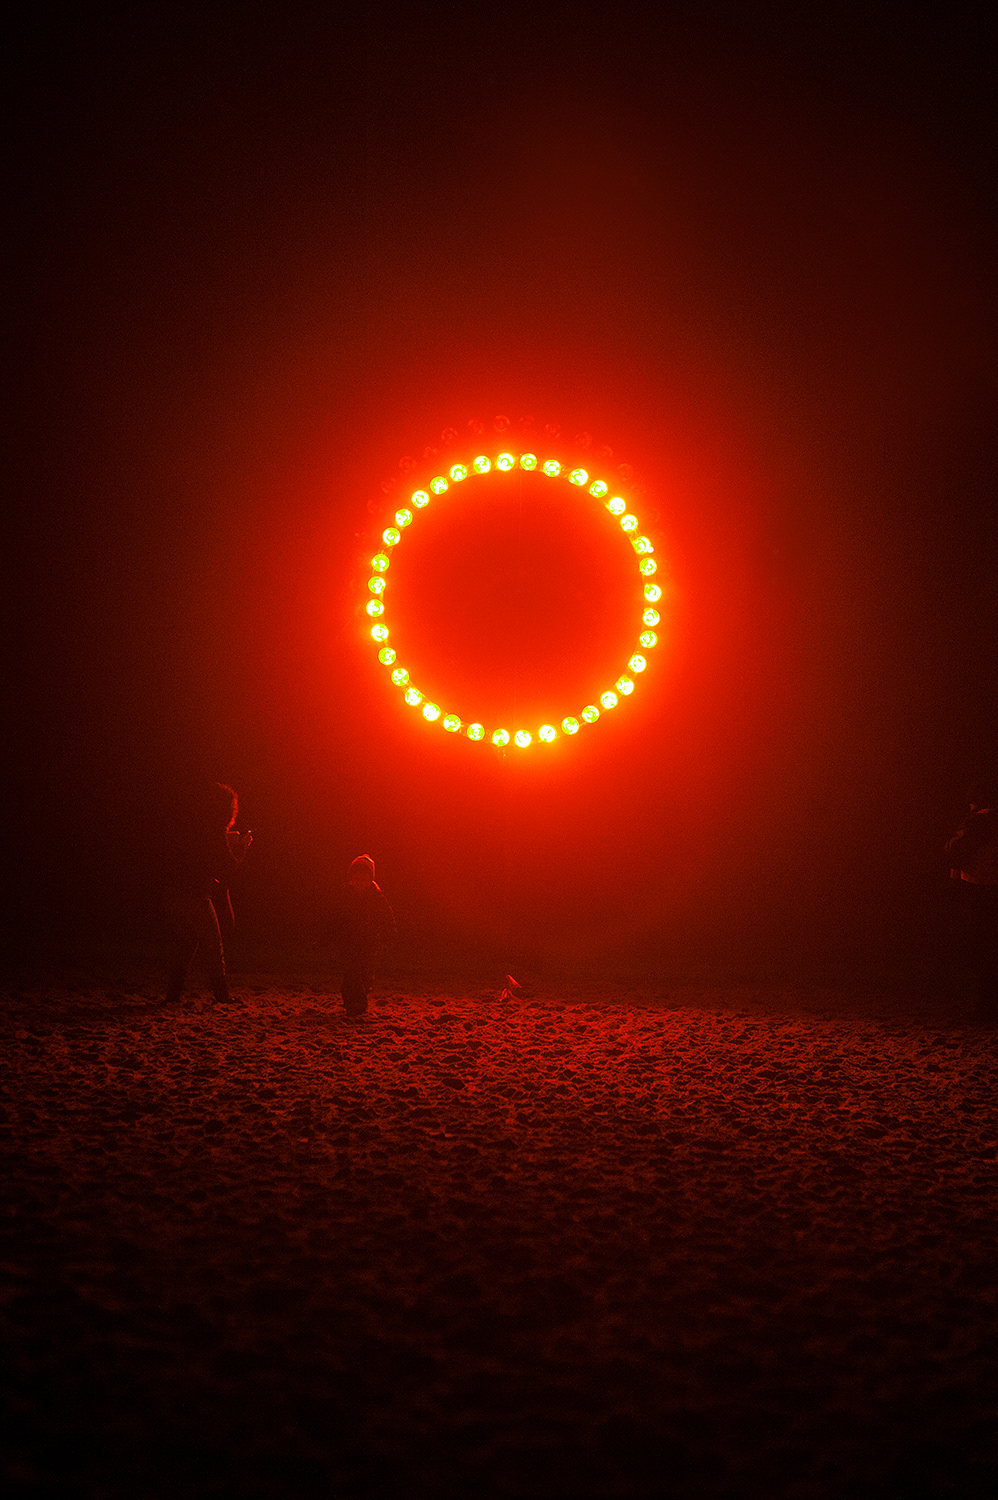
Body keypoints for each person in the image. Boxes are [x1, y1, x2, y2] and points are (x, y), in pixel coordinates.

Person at [162, 781, 252, 1008]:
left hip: (175, 893)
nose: (234, 812)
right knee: (213, 944)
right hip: (195, 895)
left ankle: (172, 995)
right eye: (233, 807)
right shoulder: (214, 832)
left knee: (186, 944)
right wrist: (241, 848)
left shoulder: (192, 829)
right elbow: (228, 867)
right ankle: (222, 995)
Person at [945, 780, 998, 1019]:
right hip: (990, 888)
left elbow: (954, 851)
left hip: (981, 889)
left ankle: (985, 1006)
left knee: (982, 949)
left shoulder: (979, 821)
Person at [335, 854, 395, 1018]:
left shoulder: (377, 898)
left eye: (363, 878)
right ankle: (354, 1004)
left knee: (365, 974)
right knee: (351, 973)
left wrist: (388, 935)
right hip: (349, 943)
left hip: (369, 943)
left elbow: (387, 918)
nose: (359, 881)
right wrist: (327, 936)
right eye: (356, 877)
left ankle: (361, 994)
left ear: (370, 879)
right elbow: (335, 918)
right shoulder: (345, 896)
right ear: (351, 878)